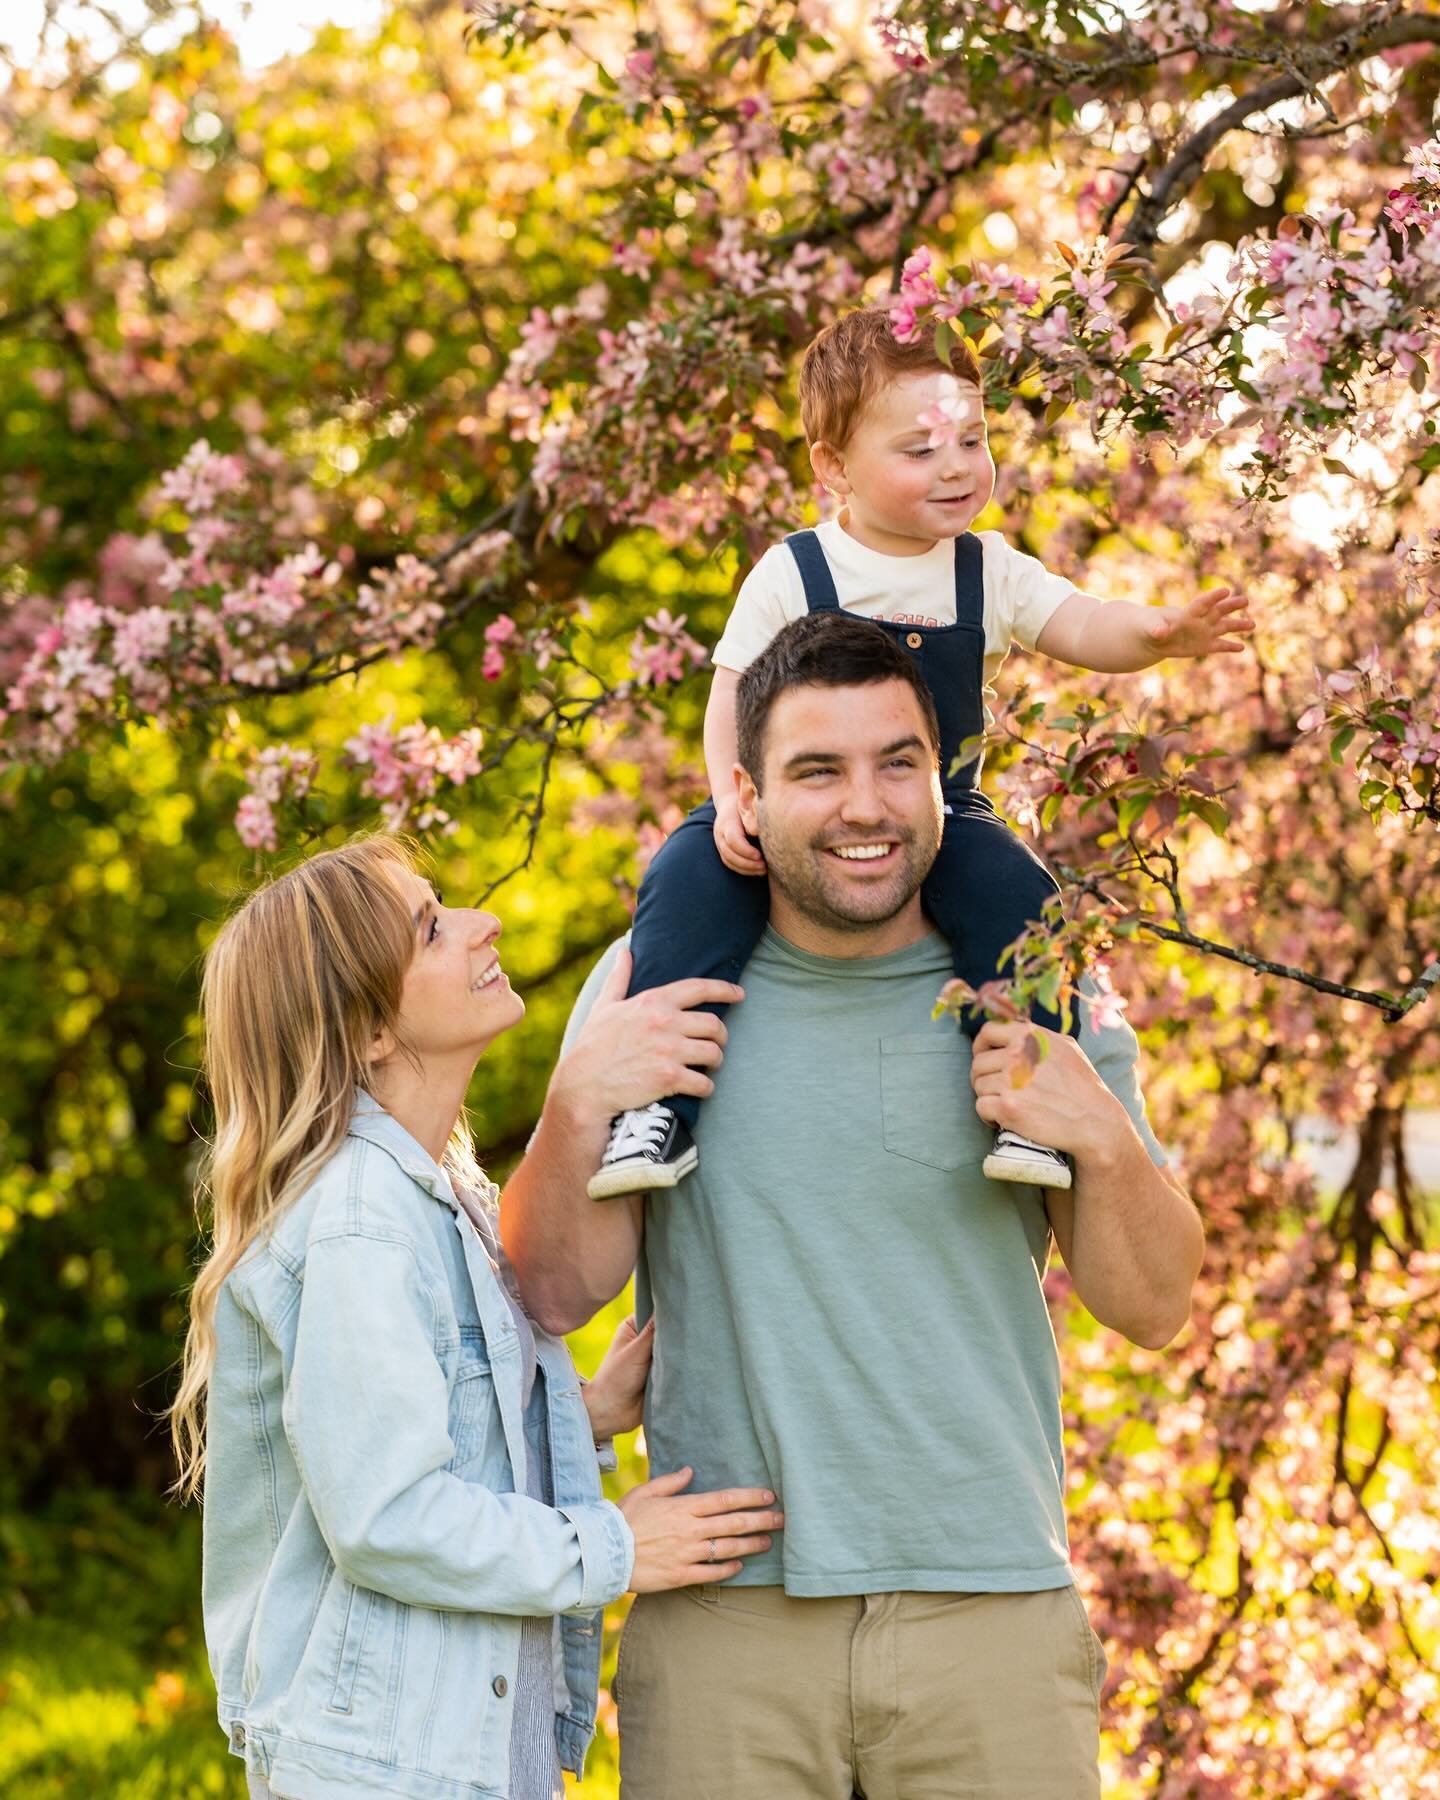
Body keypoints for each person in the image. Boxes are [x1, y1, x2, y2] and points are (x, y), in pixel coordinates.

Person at [504, 614, 1206, 1800]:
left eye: (897, 764)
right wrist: (575, 1108)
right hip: (728, 1617)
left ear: (944, 776)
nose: (865, 807)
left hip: (989, 1609)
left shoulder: (1037, 991)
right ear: (746, 793)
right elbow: (559, 1290)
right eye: (817, 772)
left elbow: (1154, 1305)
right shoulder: (653, 990)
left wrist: (1099, 1137)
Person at [589, 305, 1252, 1201]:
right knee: (685, 889)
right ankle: (657, 1108)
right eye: (920, 449)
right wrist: (732, 801)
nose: (956, 467)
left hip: (941, 809)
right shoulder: (796, 570)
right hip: (787, 804)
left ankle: (1028, 1101)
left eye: (972, 440)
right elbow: (730, 692)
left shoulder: (986, 569)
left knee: (1019, 901)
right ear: (834, 469)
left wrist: (1161, 631)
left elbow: (1087, 623)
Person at [169, 835, 783, 1800]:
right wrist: (617, 1547)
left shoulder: (432, 1188)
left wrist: (577, 1414)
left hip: (453, 1746)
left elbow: (408, 1432)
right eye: (432, 930)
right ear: (371, 1030)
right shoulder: (361, 1220)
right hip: (388, 1768)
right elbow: (388, 1516)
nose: (483, 922)